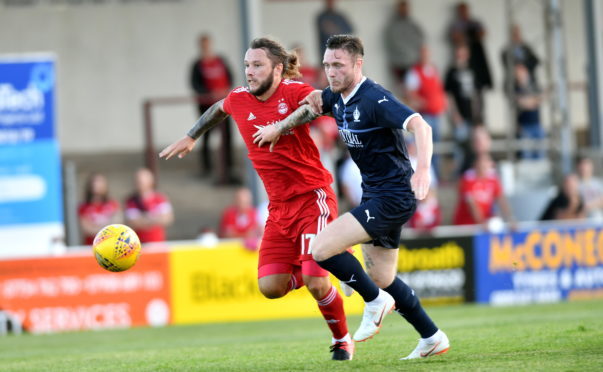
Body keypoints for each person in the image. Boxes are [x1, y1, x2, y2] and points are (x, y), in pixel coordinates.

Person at [253, 34, 449, 360]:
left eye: (338, 65)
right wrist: (279, 127)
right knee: (383, 276)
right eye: (327, 64)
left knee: (321, 249)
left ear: (358, 64)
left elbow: (421, 126)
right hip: (375, 193)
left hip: (394, 196)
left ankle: (374, 302)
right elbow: (311, 108)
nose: (331, 72)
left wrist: (423, 170)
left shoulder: (374, 98)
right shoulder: (337, 97)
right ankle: (432, 337)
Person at [160, 37, 354, 361]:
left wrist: (282, 125)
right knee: (270, 287)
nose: (249, 72)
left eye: (257, 65)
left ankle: (342, 339)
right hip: (278, 208)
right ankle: (329, 256)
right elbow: (216, 109)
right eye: (247, 65)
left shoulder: (292, 91)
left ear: (278, 69)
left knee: (316, 283)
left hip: (312, 197)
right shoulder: (239, 98)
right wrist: (192, 135)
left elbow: (317, 102)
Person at [190, 33, 236, 183]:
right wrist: (209, 93)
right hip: (206, 107)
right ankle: (207, 168)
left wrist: (225, 91)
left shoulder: (221, 61)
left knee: (227, 136)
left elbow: (230, 77)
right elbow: (195, 85)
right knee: (206, 136)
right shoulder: (197, 65)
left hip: (223, 106)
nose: (206, 47)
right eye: (203, 45)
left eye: (208, 44)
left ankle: (228, 166)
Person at [404, 45, 447, 175]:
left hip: (436, 114)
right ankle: (428, 174)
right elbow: (409, 92)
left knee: (437, 147)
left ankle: (436, 175)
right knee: (425, 147)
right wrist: (421, 102)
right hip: (425, 115)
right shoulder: (414, 72)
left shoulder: (433, 69)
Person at [447, 2, 493, 123]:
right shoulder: (453, 70)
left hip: (476, 64)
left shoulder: (475, 23)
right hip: (462, 109)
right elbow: (455, 36)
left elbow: (482, 33)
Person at [452, 153, 514, 228]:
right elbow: (471, 204)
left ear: (491, 164)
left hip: (484, 224)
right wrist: (482, 222)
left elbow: (501, 200)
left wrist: (510, 219)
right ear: (475, 164)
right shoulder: (468, 179)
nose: (483, 165)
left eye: (486, 162)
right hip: (466, 224)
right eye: (481, 162)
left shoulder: (493, 179)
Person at [384, 0, 425, 94]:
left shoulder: (412, 24)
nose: (405, 10)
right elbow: (394, 44)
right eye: (402, 8)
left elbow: (421, 38)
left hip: (414, 64)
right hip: (400, 65)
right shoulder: (393, 26)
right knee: (404, 93)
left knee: (417, 92)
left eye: (406, 8)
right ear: (398, 9)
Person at [124, 168, 174, 243]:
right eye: (138, 181)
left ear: (151, 181)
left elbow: (167, 219)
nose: (139, 183)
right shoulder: (131, 201)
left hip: (158, 243)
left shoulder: (160, 198)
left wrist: (144, 219)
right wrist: (155, 218)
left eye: (142, 181)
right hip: (138, 244)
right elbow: (132, 222)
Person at [78, 173, 121, 245]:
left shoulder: (113, 204)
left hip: (110, 245)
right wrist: (107, 227)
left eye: (100, 182)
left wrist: (96, 228)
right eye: (95, 182)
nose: (97, 185)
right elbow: (87, 230)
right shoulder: (83, 207)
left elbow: (117, 225)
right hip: (91, 246)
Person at [513, 63, 545, 159]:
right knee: (527, 155)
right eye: (517, 73)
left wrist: (529, 101)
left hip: (536, 124)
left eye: (521, 72)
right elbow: (519, 102)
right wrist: (531, 101)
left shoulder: (534, 85)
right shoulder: (515, 87)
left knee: (540, 153)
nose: (520, 75)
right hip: (524, 126)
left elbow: (541, 98)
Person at [501, 24, 540, 91]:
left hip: (529, 83)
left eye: (518, 33)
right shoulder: (506, 51)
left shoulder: (527, 49)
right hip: (514, 86)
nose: (517, 36)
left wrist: (525, 67)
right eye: (514, 34)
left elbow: (536, 61)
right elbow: (507, 66)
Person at [576, 156, 603, 221]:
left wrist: (589, 206)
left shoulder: (599, 183)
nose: (584, 168)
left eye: (586, 164)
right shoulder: (574, 183)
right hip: (580, 219)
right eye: (582, 165)